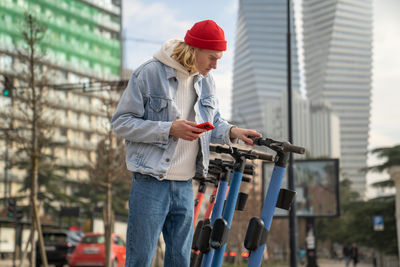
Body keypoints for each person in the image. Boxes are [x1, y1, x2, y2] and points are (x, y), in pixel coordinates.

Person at [111, 19, 261, 266]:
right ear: (195, 49)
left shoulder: (206, 81)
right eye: (212, 57)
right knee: (140, 259)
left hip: (184, 184)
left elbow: (212, 124)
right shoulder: (149, 73)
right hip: (150, 183)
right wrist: (169, 129)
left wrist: (233, 131)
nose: (215, 65)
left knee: (180, 260)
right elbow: (122, 123)